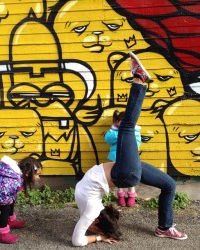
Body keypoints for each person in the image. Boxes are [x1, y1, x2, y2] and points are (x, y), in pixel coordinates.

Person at [72, 52, 187, 247]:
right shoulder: (91, 211)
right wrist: (99, 237)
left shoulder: (91, 211)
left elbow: (85, 230)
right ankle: (138, 78)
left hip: (125, 171)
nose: (90, 227)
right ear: (98, 223)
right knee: (126, 126)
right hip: (124, 173)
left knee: (169, 185)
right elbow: (76, 241)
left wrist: (99, 231)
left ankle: (164, 227)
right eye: (94, 227)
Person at [104, 110, 141, 207]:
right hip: (115, 159)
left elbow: (137, 143)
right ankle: (120, 195)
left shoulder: (135, 131)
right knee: (119, 178)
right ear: (117, 122)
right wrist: (119, 133)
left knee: (130, 177)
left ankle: (131, 196)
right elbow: (108, 139)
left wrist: (127, 134)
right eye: (121, 121)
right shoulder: (113, 131)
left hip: (129, 159)